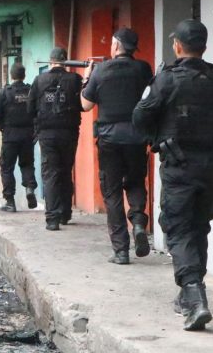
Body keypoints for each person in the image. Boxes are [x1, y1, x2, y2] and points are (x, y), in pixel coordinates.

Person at [133, 19, 213, 331]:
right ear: (203, 46)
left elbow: (140, 116)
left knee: (178, 229)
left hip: (179, 167)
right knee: (198, 228)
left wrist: (157, 132)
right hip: (210, 168)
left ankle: (194, 296)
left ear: (177, 46)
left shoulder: (167, 79)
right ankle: (188, 295)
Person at [82, 28, 153, 265]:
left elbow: (85, 105)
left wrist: (86, 78)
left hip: (109, 139)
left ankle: (121, 251)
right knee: (135, 182)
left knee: (112, 192)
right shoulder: (143, 69)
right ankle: (139, 222)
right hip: (136, 137)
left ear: (115, 46)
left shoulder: (100, 71)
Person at [28, 48, 84, 231]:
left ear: (51, 61)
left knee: (51, 173)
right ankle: (65, 213)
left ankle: (52, 218)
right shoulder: (75, 80)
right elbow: (83, 105)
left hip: (47, 135)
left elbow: (30, 108)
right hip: (69, 133)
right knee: (66, 171)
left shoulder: (39, 80)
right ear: (65, 61)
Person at [0, 62, 39, 212]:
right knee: (27, 164)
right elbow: (37, 112)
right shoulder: (31, 91)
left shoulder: (5, 93)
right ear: (24, 76)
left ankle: (10, 201)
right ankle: (30, 189)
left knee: (6, 167)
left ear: (11, 76)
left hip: (10, 137)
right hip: (28, 136)